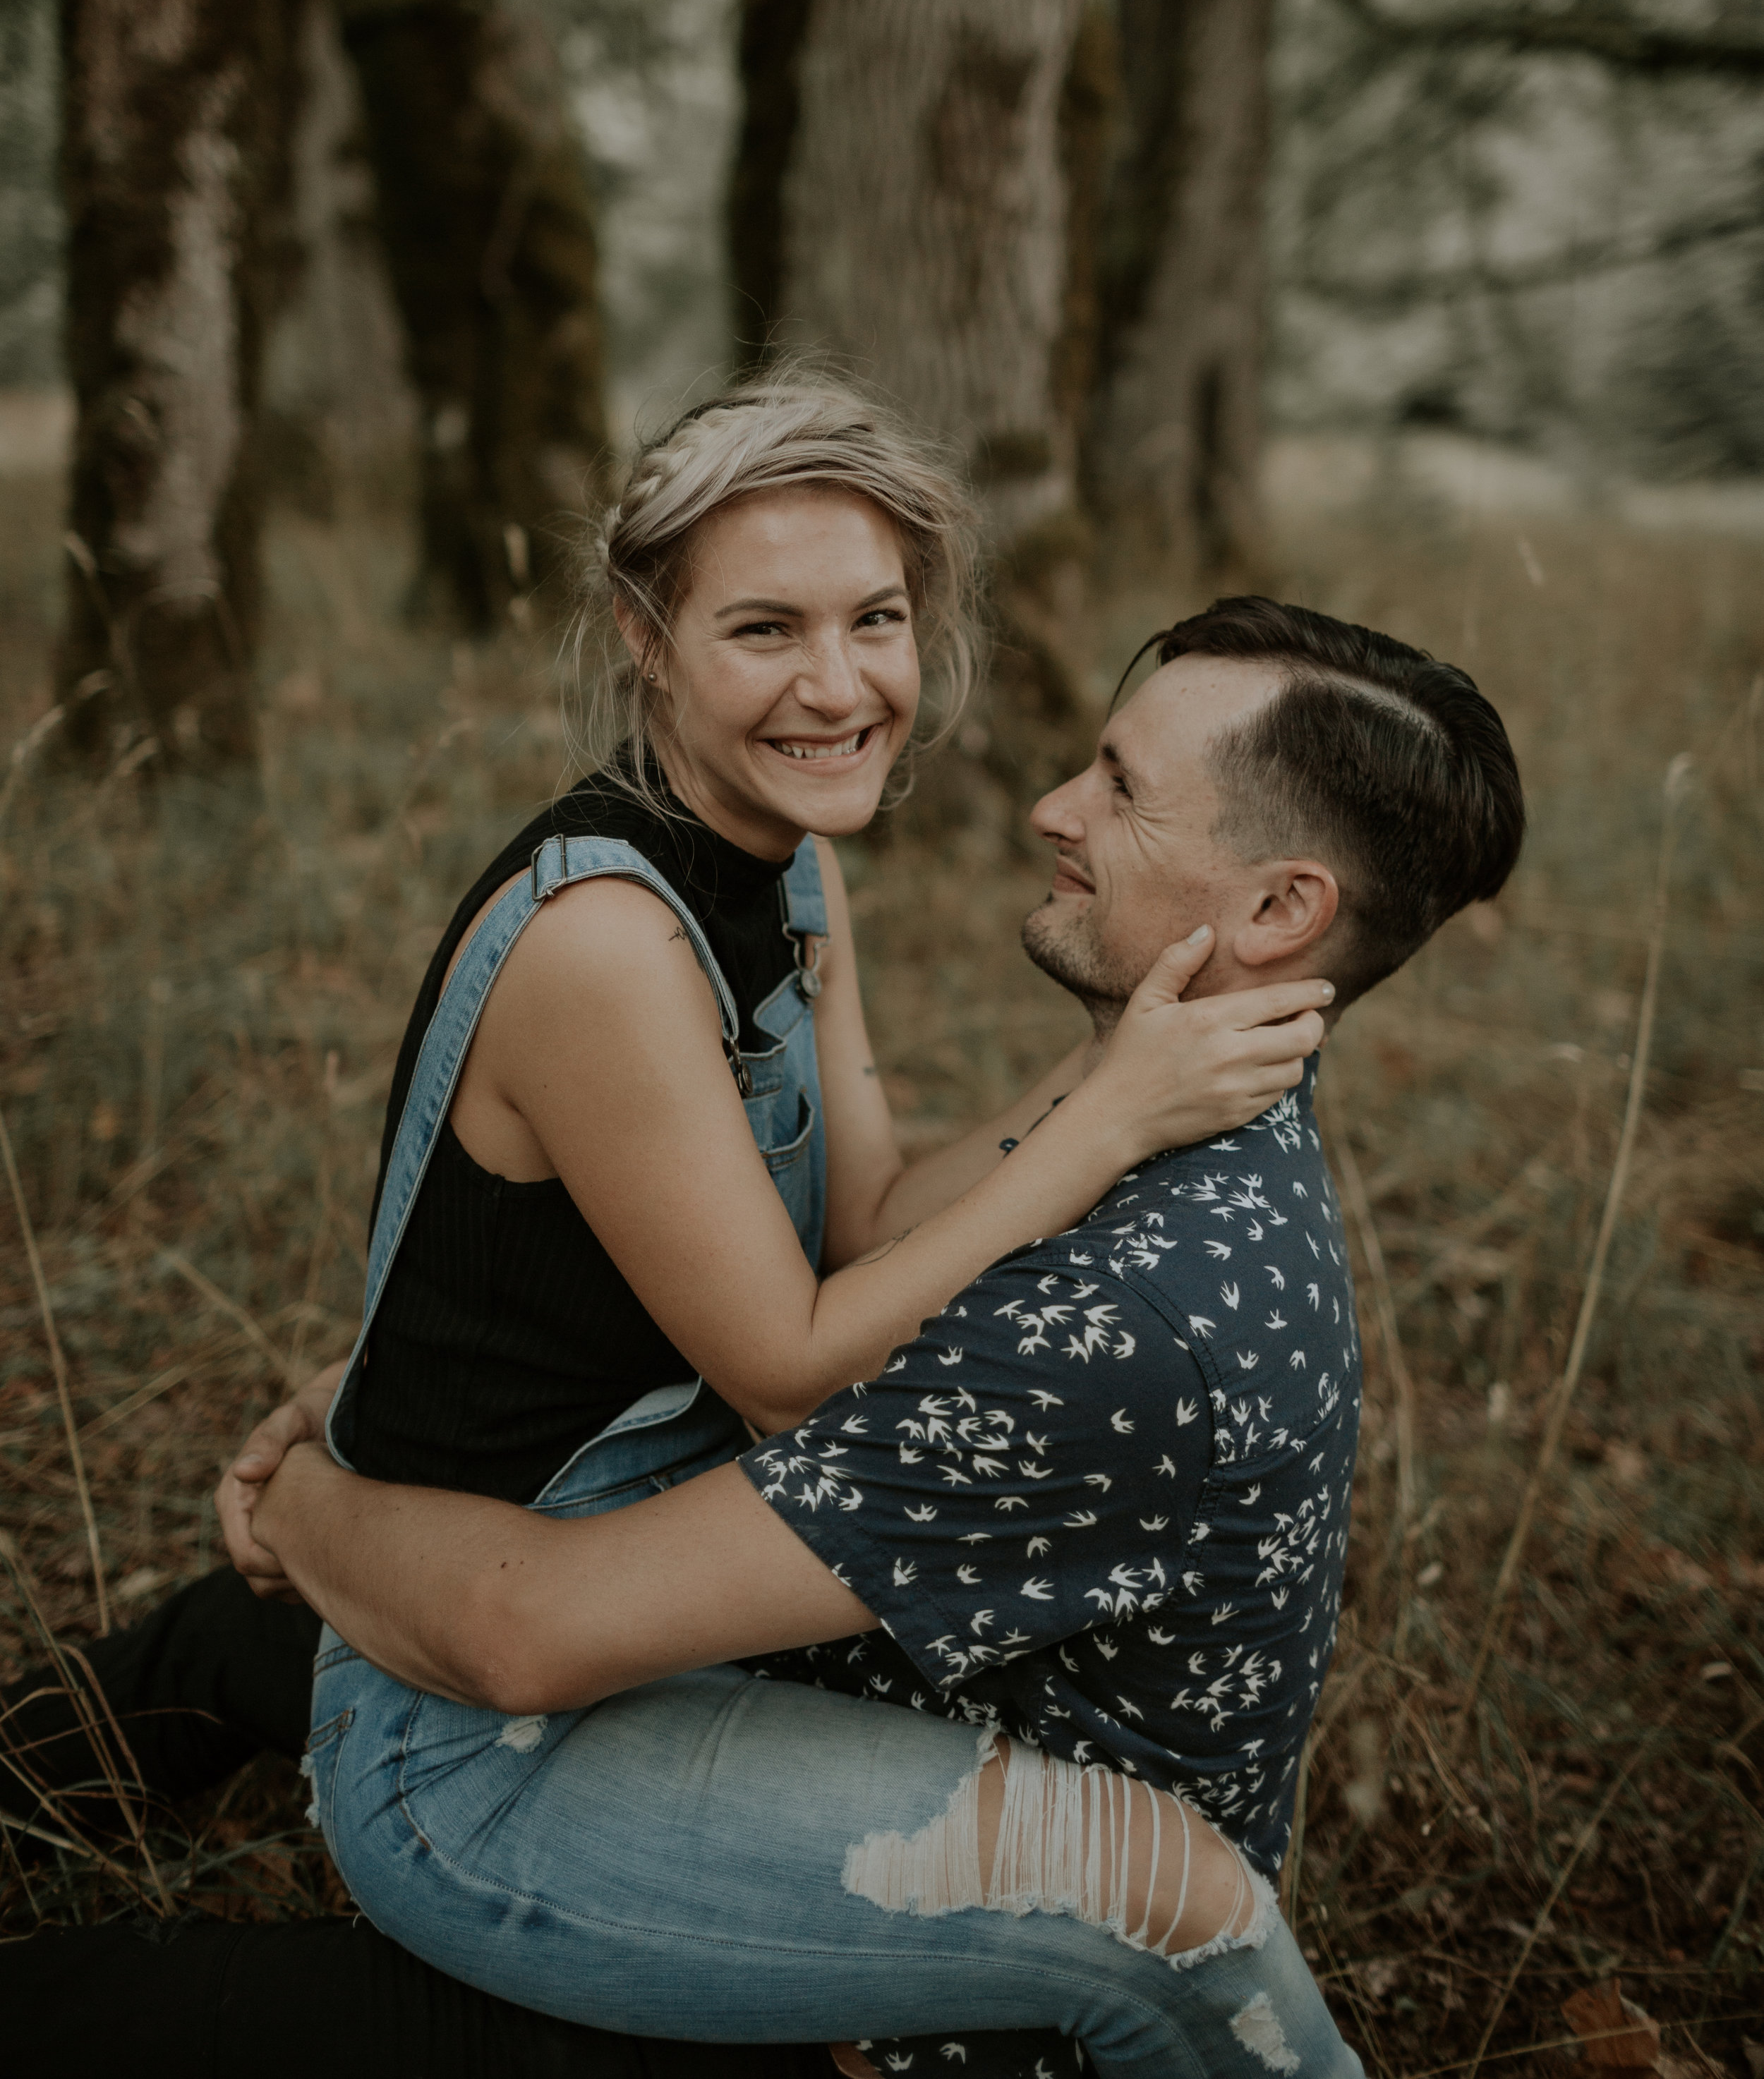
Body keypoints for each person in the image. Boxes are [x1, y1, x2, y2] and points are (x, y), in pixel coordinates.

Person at [6, 382, 1336, 2077]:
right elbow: (789, 1368)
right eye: (762, 628)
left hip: (605, 1593)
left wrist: (1109, 1073)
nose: (838, 684)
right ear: (643, 635)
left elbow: (858, 1223)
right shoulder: (607, 946)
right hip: (483, 1687)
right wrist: (1105, 1121)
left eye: (875, 620)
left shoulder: (785, 861)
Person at [214, 597, 1522, 2073]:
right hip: (864, 1699)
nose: (1048, 808)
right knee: (239, 1636)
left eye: (1118, 785)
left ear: (1281, 913)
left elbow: (525, 1631)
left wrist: (299, 1491)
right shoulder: (1195, 1111)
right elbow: (889, 1239)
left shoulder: (1131, 1324)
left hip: (931, 1997)